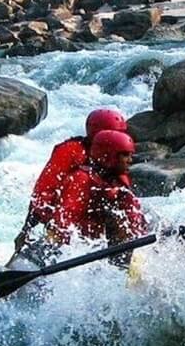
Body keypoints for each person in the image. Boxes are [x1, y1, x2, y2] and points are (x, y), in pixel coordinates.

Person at [14, 107, 128, 251]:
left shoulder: (114, 159)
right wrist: (27, 229)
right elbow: (44, 191)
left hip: (96, 220)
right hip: (65, 217)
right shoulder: (71, 152)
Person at [50, 130, 148, 249]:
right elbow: (63, 220)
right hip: (80, 246)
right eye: (125, 155)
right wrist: (57, 248)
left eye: (130, 155)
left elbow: (134, 218)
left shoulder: (118, 181)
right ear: (109, 155)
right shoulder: (82, 179)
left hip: (103, 244)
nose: (130, 161)